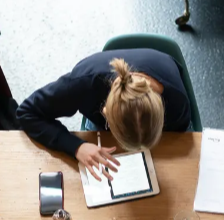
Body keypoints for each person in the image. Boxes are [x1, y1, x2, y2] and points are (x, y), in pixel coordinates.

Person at [17, 49, 191, 181]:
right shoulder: (82, 84)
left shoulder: (177, 102)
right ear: (105, 114)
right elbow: (27, 112)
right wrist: (76, 146)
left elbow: (179, 133)